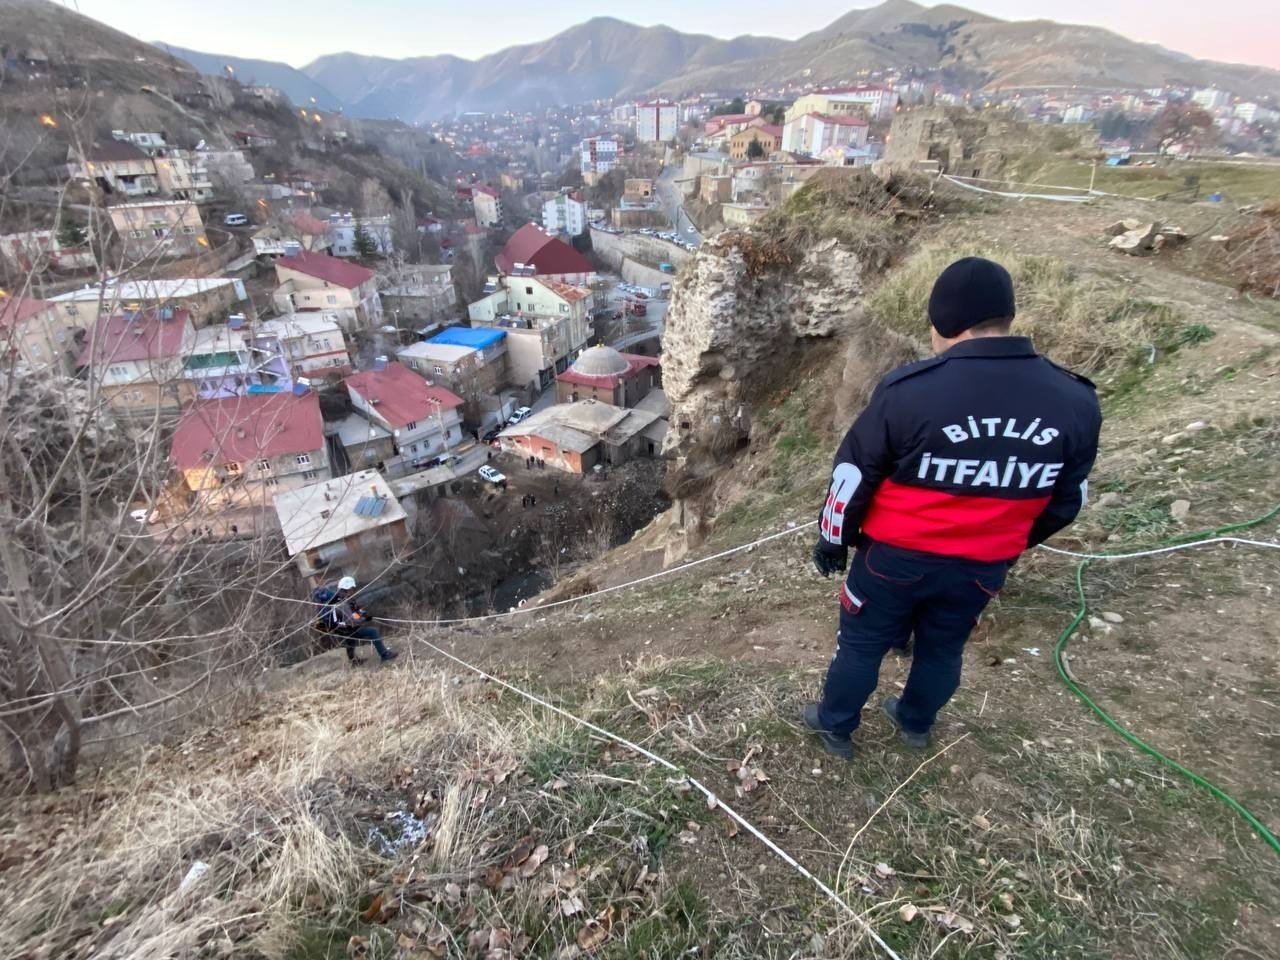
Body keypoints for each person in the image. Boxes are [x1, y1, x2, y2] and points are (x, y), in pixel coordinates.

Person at [805, 257, 1102, 760]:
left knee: (862, 642)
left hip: (893, 558)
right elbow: (1067, 499)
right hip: (980, 566)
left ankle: (835, 727)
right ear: (1006, 317)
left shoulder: (911, 391)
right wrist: (1007, 544)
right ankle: (916, 723)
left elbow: (852, 477)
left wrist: (833, 537)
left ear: (944, 322)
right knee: (943, 647)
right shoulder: (1074, 400)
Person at [315, 576, 398, 666]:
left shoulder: (345, 598)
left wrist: (363, 614)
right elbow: (351, 619)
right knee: (372, 632)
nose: (353, 590)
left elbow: (355, 611)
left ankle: (354, 661)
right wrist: (364, 618)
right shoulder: (340, 603)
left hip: (343, 629)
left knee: (350, 641)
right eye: (352, 588)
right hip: (345, 628)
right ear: (347, 588)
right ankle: (384, 654)